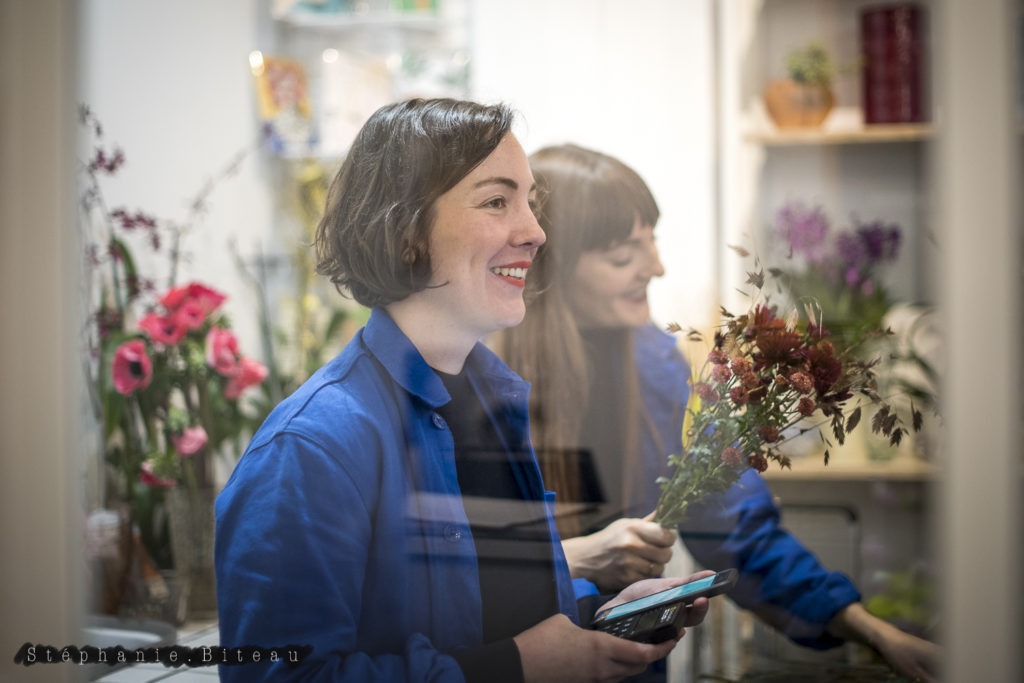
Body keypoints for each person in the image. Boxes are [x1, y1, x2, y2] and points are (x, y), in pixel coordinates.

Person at [214, 100, 711, 683]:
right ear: (405, 234)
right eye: (497, 201)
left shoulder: (491, 407)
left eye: (530, 202)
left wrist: (594, 618)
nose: (535, 232)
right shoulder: (310, 447)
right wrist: (515, 667)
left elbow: (486, 618)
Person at [492, 143, 939, 683]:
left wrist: (872, 632)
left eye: (651, 242)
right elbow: (455, 576)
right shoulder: (481, 386)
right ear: (549, 263)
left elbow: (738, 526)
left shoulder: (654, 362)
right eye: (622, 255)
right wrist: (574, 561)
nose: (656, 267)